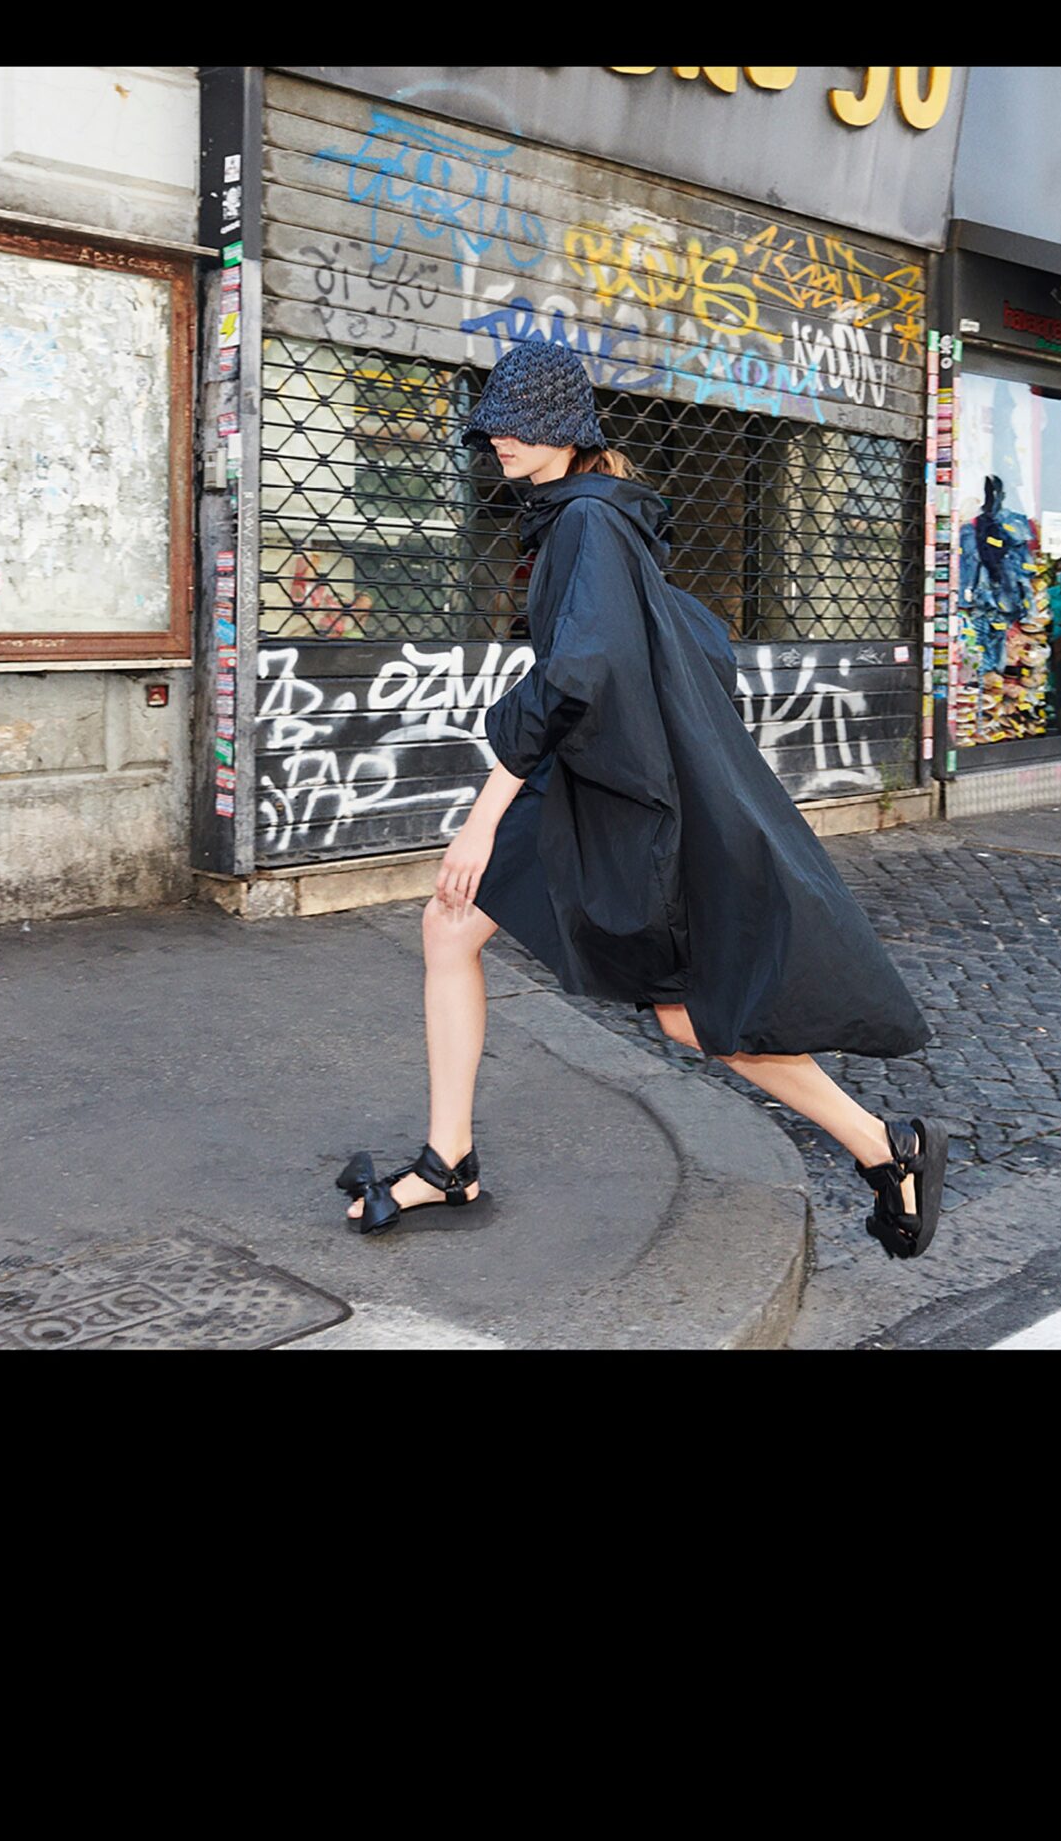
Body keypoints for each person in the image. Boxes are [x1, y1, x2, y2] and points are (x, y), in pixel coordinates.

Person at [336, 340, 945, 1261]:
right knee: (450, 929)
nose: (497, 438)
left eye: (518, 423)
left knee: (686, 1010)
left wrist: (481, 820)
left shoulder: (585, 521)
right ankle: (448, 1159)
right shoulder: (588, 517)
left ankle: (884, 1148)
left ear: (565, 430)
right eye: (491, 423)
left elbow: (574, 675)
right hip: (591, 776)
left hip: (614, 792)